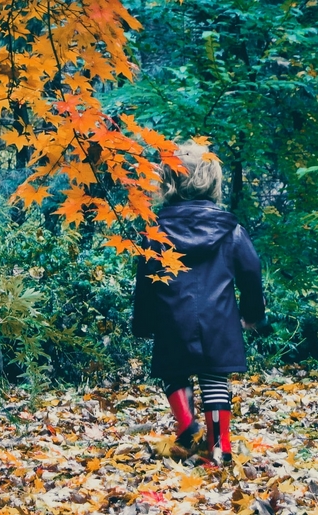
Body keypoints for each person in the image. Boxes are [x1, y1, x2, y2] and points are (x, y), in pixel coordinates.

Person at [131, 141, 266, 466]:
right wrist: (252, 315)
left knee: (174, 373)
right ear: (212, 181)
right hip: (218, 322)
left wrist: (145, 324)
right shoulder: (230, 230)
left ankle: (188, 426)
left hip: (171, 319)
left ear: (169, 181)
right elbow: (251, 272)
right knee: (215, 380)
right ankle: (219, 449)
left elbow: (146, 284)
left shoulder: (155, 232)